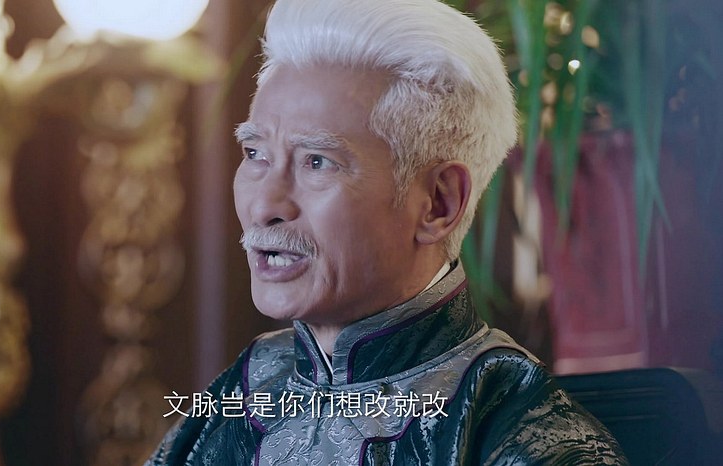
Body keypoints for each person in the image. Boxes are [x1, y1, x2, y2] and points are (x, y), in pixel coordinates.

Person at [147, 0, 627, 464]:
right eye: (256, 154)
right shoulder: (247, 387)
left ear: (438, 203)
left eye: (317, 162)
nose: (264, 206)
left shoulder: (516, 429)